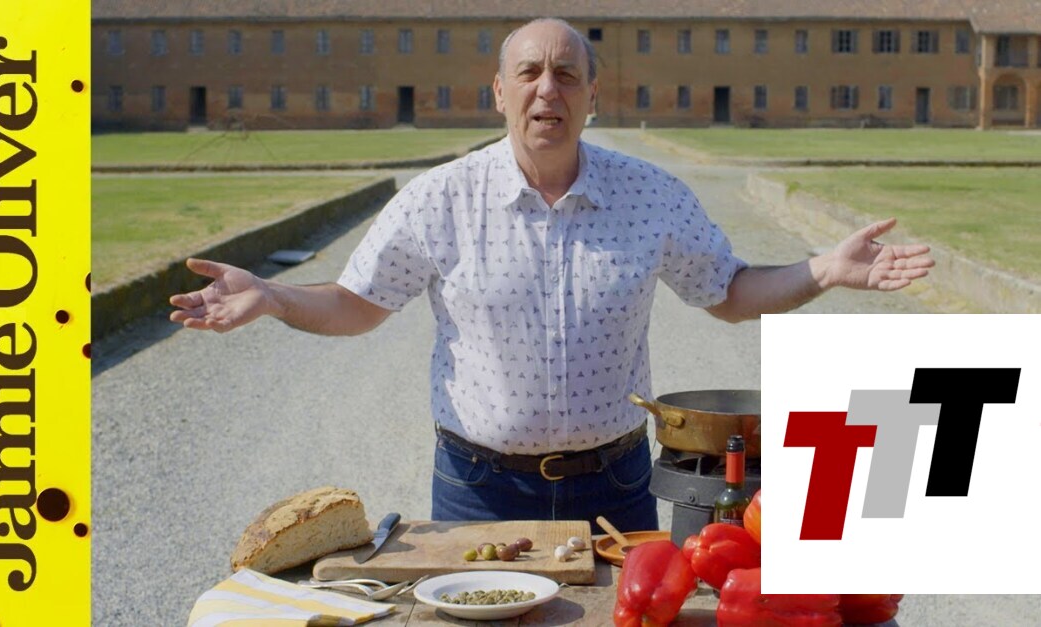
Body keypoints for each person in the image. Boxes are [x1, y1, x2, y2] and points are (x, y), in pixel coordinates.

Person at [169, 18, 933, 532]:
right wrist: (271, 295)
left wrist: (823, 268)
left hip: (616, 487)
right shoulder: (440, 198)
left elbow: (728, 293)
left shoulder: (650, 195)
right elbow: (354, 303)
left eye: (566, 74)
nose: (547, 89)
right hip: (477, 490)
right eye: (529, 72)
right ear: (499, 92)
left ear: (591, 96)